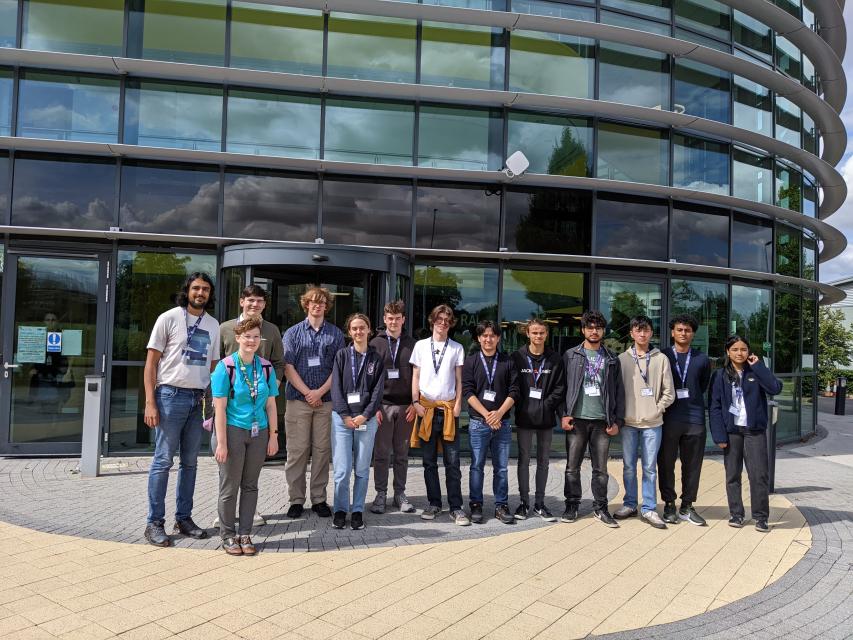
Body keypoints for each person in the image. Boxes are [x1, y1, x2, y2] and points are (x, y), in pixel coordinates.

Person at [143, 272, 220, 547]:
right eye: (196, 288)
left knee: (190, 463)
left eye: (206, 289)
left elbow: (213, 367)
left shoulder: (213, 325)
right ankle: (154, 523)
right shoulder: (169, 318)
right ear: (187, 290)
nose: (201, 293)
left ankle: (184, 519)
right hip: (169, 396)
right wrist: (150, 401)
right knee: (163, 460)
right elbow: (151, 363)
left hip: (197, 399)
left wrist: (211, 401)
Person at [211, 317, 279, 555]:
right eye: (246, 336)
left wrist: (273, 435)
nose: (251, 341)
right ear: (238, 338)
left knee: (250, 485)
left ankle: (245, 534)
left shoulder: (266, 367)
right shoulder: (225, 367)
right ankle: (228, 535)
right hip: (232, 430)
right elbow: (219, 407)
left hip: (258, 432)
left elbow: (271, 405)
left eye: (255, 337)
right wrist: (221, 442)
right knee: (230, 486)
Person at [218, 284, 285, 528]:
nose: (254, 305)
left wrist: (270, 386)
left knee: (250, 474)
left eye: (259, 301)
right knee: (228, 471)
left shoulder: (271, 330)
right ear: (241, 302)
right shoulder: (225, 328)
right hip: (231, 411)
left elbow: (278, 361)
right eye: (250, 300)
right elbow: (217, 361)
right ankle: (224, 515)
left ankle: (249, 514)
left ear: (264, 305)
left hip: (258, 409)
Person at [282, 287, 345, 519]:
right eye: (313, 302)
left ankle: (319, 499)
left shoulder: (336, 334)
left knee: (321, 451)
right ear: (306, 304)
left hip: (326, 401)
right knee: (297, 452)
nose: (317, 306)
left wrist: (319, 392)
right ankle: (296, 500)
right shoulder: (292, 333)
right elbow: (287, 367)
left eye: (322, 303)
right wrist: (309, 392)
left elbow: (339, 369)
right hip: (298, 400)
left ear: (326, 306)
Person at [709, 335, 782, 533]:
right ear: (728, 352)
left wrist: (759, 367)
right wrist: (719, 436)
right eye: (735, 349)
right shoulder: (720, 375)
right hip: (732, 432)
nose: (739, 353)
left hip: (754, 432)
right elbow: (714, 406)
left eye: (743, 349)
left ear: (749, 352)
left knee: (759, 475)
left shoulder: (755, 372)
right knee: (732, 475)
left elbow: (774, 388)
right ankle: (736, 514)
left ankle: (760, 517)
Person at [561, 310, 623, 528]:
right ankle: (572, 505)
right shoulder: (571, 355)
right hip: (577, 419)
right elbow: (562, 388)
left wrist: (617, 421)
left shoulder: (611, 359)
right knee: (572, 467)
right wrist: (564, 414)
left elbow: (619, 391)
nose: (594, 331)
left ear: (603, 331)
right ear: (583, 330)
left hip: (601, 421)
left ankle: (601, 507)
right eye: (590, 327)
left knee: (601, 469)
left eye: (598, 327)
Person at [410, 305, 469, 526]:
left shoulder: (456, 348)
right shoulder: (420, 346)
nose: (443, 323)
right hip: (425, 409)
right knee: (428, 462)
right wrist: (415, 402)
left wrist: (458, 405)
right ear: (432, 321)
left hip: (448, 410)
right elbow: (415, 376)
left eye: (447, 320)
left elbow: (459, 380)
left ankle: (456, 507)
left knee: (452, 462)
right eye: (439, 319)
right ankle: (434, 503)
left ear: (450, 323)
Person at [615, 315, 675, 530]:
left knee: (649, 467)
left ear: (651, 333)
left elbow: (669, 392)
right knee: (629, 466)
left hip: (652, 423)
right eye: (638, 330)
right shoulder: (622, 359)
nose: (642, 334)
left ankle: (649, 508)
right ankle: (630, 503)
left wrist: (656, 409)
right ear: (631, 333)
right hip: (629, 423)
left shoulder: (661, 359)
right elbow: (616, 391)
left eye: (646, 330)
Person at [330, 313, 385, 530]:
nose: (358, 332)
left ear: (369, 330)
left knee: (362, 469)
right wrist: (345, 415)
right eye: (354, 328)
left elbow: (378, 392)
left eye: (362, 328)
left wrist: (365, 415)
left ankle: (358, 511)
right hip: (342, 420)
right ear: (349, 331)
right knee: (342, 470)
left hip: (367, 419)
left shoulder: (376, 359)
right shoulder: (342, 355)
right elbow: (335, 389)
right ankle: (341, 510)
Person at [463, 320, 520, 525]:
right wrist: (488, 414)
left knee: (501, 468)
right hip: (479, 422)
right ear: (479, 338)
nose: (488, 339)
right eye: (484, 335)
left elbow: (515, 391)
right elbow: (467, 392)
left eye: (492, 335)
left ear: (498, 338)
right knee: (476, 466)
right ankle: (476, 504)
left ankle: (501, 505)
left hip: (502, 424)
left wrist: (499, 414)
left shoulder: (508, 361)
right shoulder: (471, 361)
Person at [658, 314, 712, 526]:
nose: (683, 333)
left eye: (687, 330)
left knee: (692, 466)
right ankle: (669, 504)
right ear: (672, 332)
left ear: (693, 334)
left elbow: (703, 385)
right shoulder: (662, 356)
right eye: (679, 330)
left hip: (694, 418)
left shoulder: (701, 359)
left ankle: (687, 505)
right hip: (669, 418)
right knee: (666, 463)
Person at [510, 319, 565, 521]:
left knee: (543, 461)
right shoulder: (517, 357)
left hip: (546, 418)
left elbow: (560, 388)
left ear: (546, 334)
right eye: (534, 333)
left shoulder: (555, 359)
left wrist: (545, 405)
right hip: (524, 417)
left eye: (541, 333)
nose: (538, 336)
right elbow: (513, 384)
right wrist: (524, 405)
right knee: (524, 460)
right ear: (528, 334)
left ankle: (540, 504)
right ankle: (524, 503)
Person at [369, 301, 417, 514]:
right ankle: (380, 494)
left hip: (407, 407)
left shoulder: (414, 344)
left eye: (398, 318)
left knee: (401, 454)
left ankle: (400, 493)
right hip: (383, 407)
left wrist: (417, 404)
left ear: (403, 320)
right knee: (381, 453)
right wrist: (375, 407)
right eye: (390, 318)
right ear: (384, 319)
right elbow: (369, 378)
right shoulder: (375, 344)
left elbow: (420, 377)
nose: (394, 322)